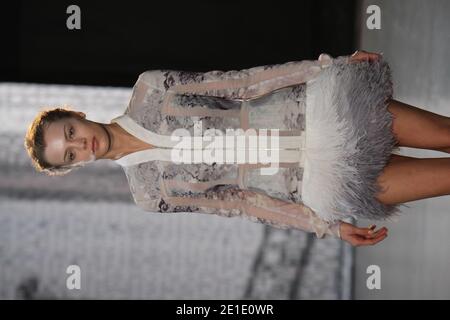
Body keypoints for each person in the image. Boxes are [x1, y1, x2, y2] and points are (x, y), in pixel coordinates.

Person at [24, 50, 450, 247]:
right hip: (323, 184)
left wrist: (324, 68)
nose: (82, 144)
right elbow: (243, 204)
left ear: (73, 114)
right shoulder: (150, 193)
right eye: (70, 154)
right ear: (71, 168)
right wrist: (329, 227)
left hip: (329, 113)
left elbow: (241, 83)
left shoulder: (151, 91)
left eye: (71, 132)